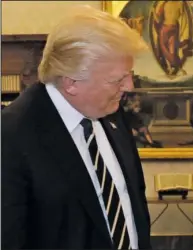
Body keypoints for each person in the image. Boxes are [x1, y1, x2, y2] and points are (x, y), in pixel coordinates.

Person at [1, 6, 151, 249]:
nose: (130, 87)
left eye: (129, 75)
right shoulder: (10, 137)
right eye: (118, 79)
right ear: (71, 82)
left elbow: (133, 210)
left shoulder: (112, 113)